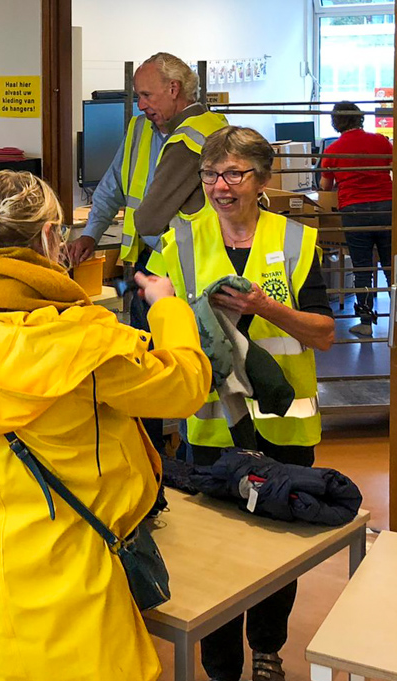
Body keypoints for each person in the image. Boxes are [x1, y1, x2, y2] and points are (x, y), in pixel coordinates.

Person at [0, 170, 211, 681]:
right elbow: (185, 385)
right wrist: (168, 308)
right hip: (77, 612)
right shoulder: (84, 343)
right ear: (50, 237)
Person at [149, 127, 334, 681]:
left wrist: (263, 306)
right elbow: (162, 325)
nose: (219, 187)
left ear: (263, 179)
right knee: (214, 554)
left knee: (278, 546)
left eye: (233, 174)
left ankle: (269, 651)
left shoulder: (298, 241)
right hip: (211, 428)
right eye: (209, 175)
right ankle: (221, 664)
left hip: (287, 426)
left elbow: (323, 333)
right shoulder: (179, 242)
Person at [72, 52, 227, 455]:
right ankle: (152, 454)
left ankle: (191, 458)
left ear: (174, 90)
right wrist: (91, 234)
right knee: (146, 365)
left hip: (186, 272)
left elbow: (154, 214)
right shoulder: (141, 128)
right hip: (144, 266)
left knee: (186, 366)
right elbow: (112, 185)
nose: (140, 104)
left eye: (146, 95)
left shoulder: (204, 134)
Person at [320, 101, 393, 336]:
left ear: (336, 122)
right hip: (387, 208)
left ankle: (365, 323)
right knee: (392, 266)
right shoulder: (381, 141)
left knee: (362, 267)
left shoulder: (332, 150)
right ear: (359, 118)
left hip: (354, 211)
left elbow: (325, 186)